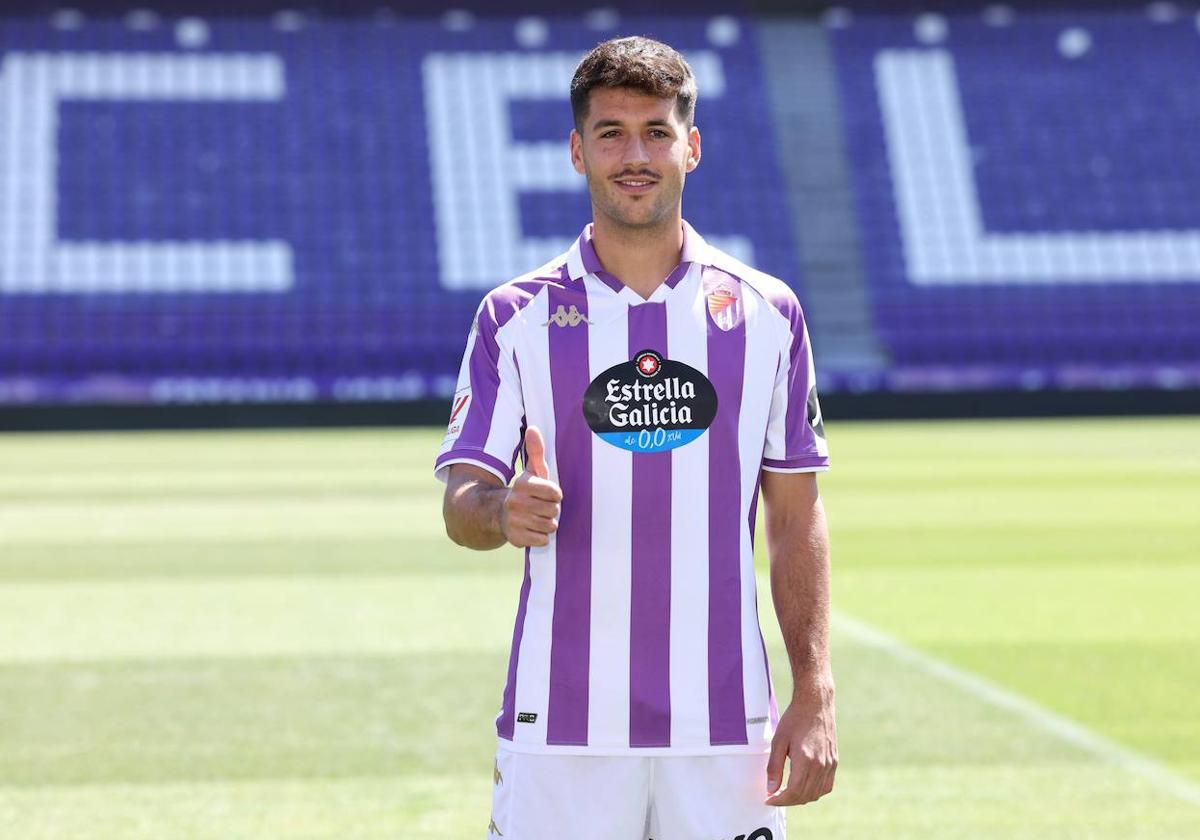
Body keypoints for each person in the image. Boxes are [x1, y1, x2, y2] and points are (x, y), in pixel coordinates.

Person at [435, 35, 835, 840]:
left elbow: (795, 518)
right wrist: (499, 510)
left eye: (656, 130)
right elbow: (462, 503)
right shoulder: (514, 317)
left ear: (691, 144)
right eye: (612, 133)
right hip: (562, 729)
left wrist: (815, 689)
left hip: (726, 728)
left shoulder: (767, 313)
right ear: (578, 150)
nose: (635, 154)